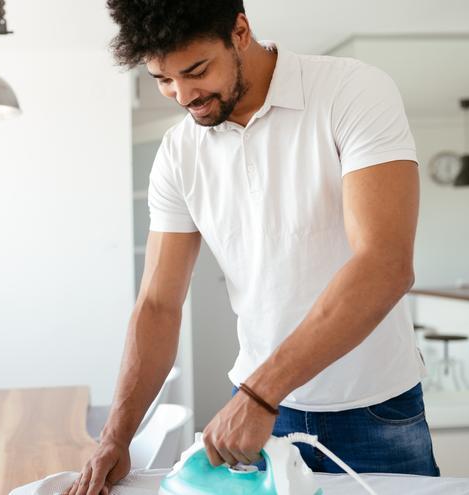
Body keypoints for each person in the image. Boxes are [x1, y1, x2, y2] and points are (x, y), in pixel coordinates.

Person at [65, 1, 438, 494]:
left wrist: (261, 396)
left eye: (196, 71)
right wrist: (116, 436)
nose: (183, 95)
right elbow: (158, 304)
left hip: (372, 410)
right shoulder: (179, 153)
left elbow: (385, 262)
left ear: (240, 31)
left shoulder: (351, 90)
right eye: (162, 79)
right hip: (260, 414)